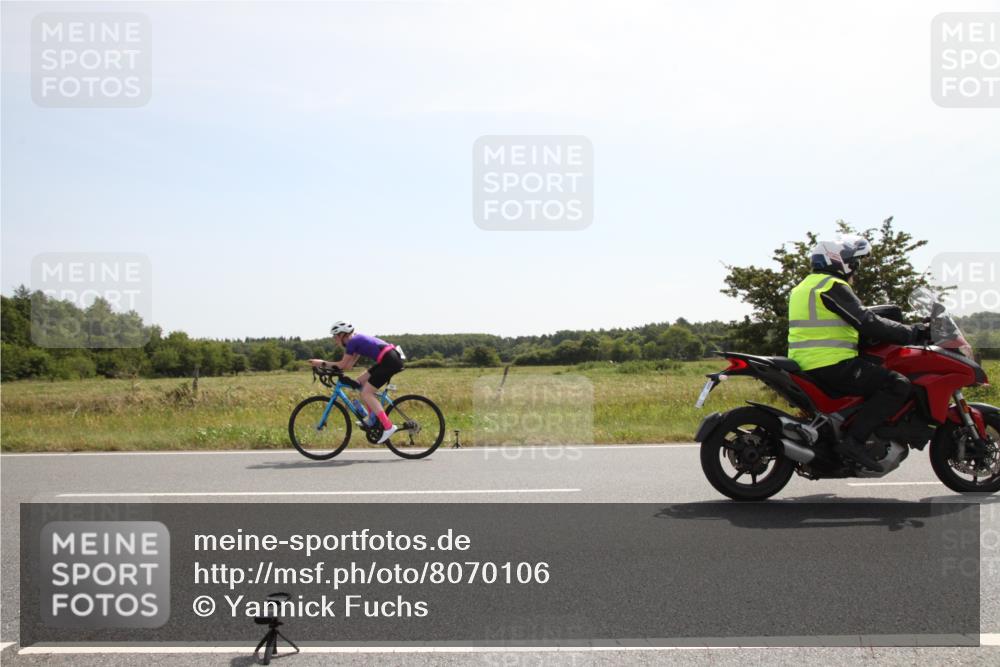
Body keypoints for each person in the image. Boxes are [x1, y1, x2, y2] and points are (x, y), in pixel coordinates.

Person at [787, 235, 928, 472]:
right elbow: (866, 321)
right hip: (832, 364)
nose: (856, 268)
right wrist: (913, 333)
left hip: (806, 363)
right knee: (897, 384)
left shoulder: (803, 287)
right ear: (838, 260)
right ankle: (855, 441)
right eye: (855, 262)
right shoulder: (831, 285)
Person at [309, 321, 405, 444]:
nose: (334, 340)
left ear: (341, 335)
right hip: (387, 359)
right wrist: (328, 368)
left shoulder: (353, 342)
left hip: (389, 361)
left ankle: (388, 426)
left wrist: (321, 363)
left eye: (335, 336)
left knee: (366, 394)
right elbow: (347, 366)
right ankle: (372, 419)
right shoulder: (355, 341)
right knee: (359, 383)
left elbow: (342, 365)